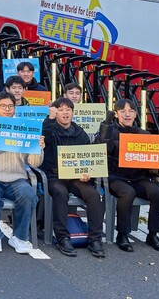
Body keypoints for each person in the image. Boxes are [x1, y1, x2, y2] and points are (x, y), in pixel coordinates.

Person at [0, 91, 43, 254]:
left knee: (29, 195)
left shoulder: (24, 127)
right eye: (3, 106)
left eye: (11, 106)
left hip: (16, 177)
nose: (7, 109)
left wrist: (38, 148)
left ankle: (19, 237)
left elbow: (34, 163)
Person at [97, 98, 159, 253]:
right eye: (123, 111)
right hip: (115, 176)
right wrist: (107, 125)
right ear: (116, 114)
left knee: (158, 194)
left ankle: (153, 234)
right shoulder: (110, 130)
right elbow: (101, 147)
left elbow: (150, 163)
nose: (127, 115)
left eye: (131, 111)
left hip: (138, 177)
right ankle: (123, 235)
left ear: (136, 114)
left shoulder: (143, 134)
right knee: (127, 193)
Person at [41, 98, 105, 258]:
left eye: (68, 109)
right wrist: (49, 119)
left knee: (94, 195)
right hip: (54, 176)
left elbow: (87, 158)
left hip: (76, 177)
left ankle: (95, 239)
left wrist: (87, 173)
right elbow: (45, 136)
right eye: (61, 110)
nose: (65, 113)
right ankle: (63, 237)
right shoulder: (49, 129)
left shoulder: (80, 133)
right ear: (55, 112)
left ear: (73, 113)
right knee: (60, 193)